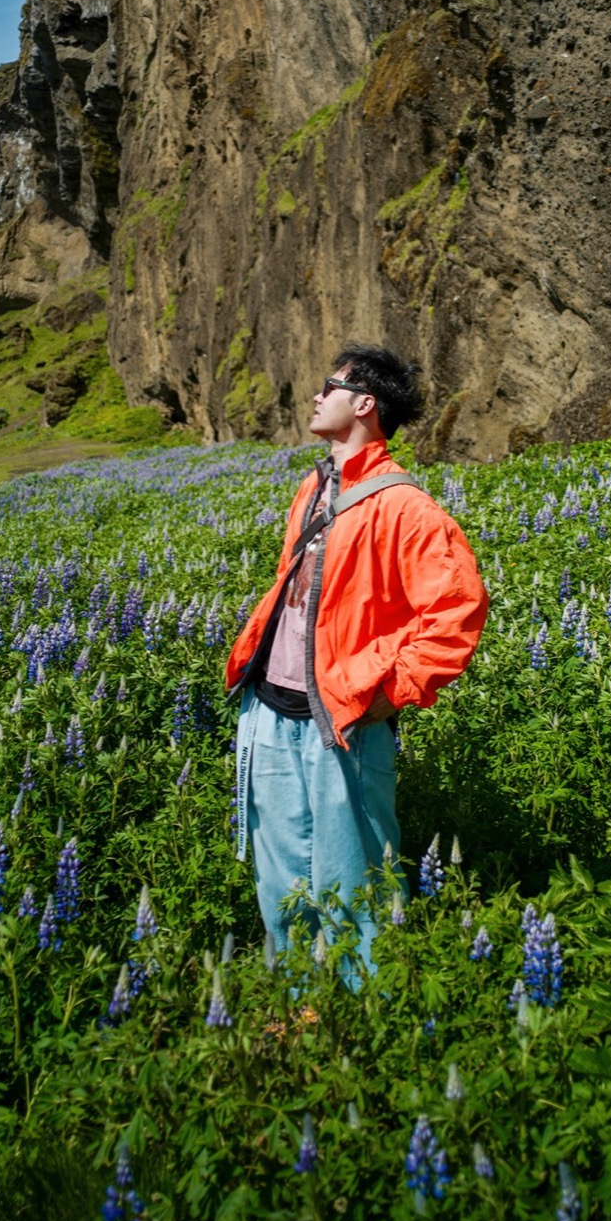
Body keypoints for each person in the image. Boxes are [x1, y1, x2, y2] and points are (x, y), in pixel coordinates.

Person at [226, 343, 488, 978]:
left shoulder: (407, 509)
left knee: (353, 883)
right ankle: (299, 1009)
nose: (315, 396)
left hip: (342, 718)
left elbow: (456, 614)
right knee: (281, 880)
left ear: (364, 404)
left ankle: (365, 1022)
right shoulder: (312, 486)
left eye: (329, 385)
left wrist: (384, 695)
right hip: (270, 705)